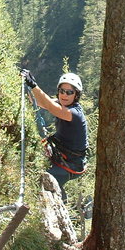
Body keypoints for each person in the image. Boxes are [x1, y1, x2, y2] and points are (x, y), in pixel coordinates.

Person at [21, 69, 88, 202]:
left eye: (69, 92)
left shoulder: (74, 114)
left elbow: (50, 107)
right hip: (63, 156)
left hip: (71, 165)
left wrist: (33, 85)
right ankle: (59, 195)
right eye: (62, 91)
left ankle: (59, 200)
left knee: (42, 179)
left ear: (76, 95)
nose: (64, 95)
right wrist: (29, 87)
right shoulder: (62, 104)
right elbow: (41, 102)